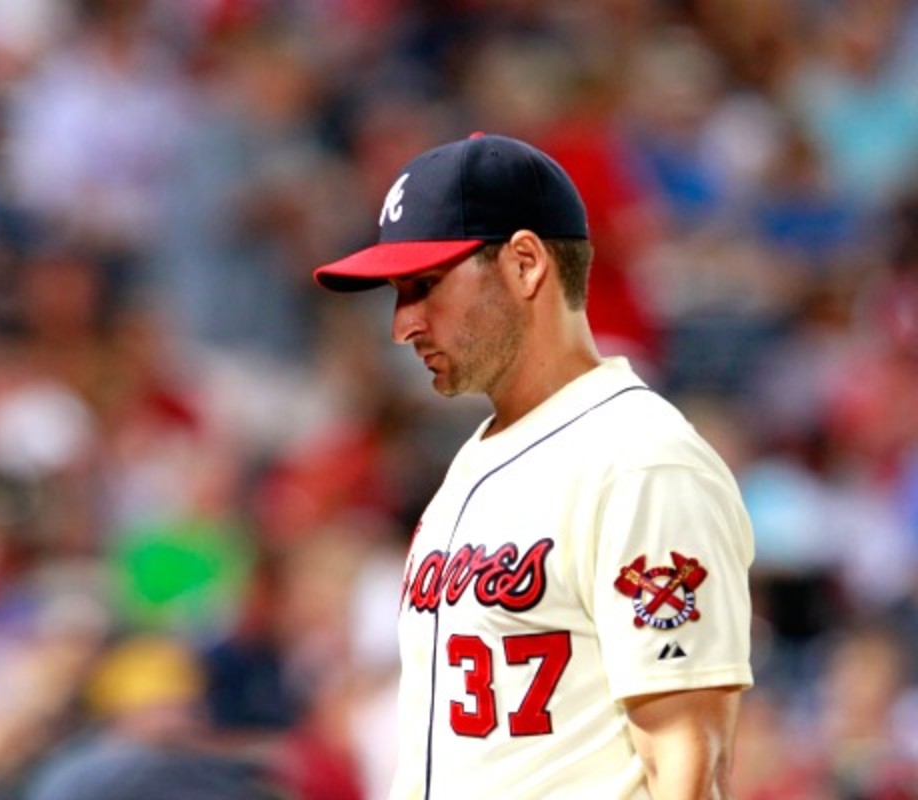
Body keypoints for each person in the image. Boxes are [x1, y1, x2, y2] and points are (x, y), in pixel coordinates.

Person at [313, 133, 754, 799]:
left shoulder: (640, 460)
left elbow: (686, 753)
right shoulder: (477, 457)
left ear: (525, 263)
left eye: (425, 286)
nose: (403, 325)